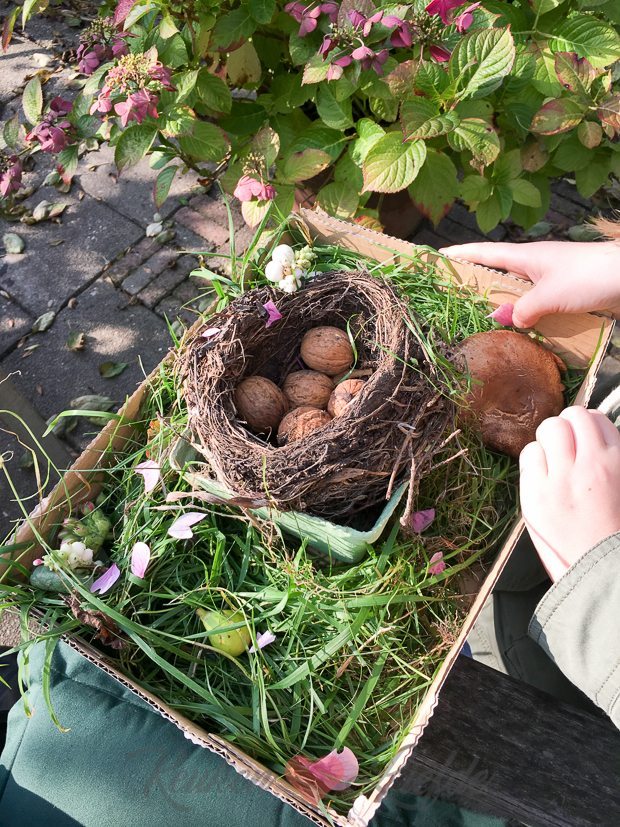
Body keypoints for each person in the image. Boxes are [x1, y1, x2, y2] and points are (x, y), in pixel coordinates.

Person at [440, 226, 620, 728]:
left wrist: (597, 570)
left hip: (588, 648)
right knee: (511, 579)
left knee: (517, 652)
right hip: (584, 493)